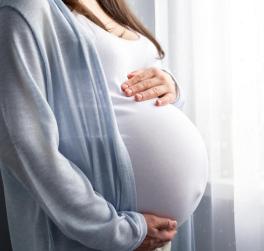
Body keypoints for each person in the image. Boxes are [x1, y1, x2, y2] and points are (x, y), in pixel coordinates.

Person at [0, 0, 186, 250]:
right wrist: (117, 232)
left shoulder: (110, 5)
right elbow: (24, 145)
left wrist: (170, 86)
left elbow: (134, 86)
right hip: (97, 235)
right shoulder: (25, 9)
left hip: (150, 233)